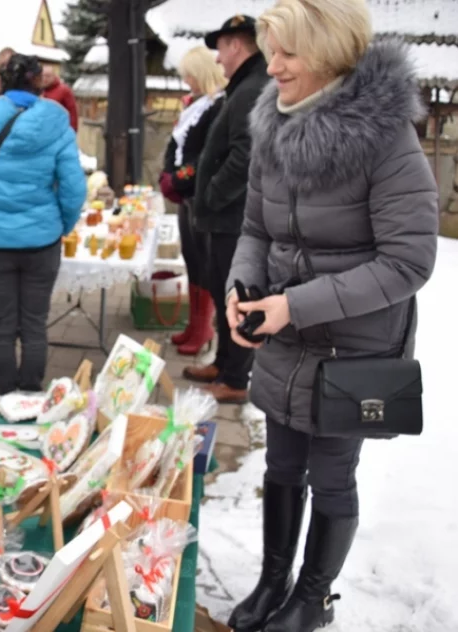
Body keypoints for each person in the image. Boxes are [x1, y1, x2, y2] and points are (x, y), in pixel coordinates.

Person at [224, 2, 438, 631]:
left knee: (331, 475)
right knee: (282, 464)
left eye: (287, 52)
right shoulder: (275, 123)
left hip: (355, 346)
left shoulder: (385, 136)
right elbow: (256, 227)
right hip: (288, 333)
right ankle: (273, 583)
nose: (274, 65)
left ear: (328, 53)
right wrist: (244, 287)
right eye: (271, 49)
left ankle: (312, 599)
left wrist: (294, 304)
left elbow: (408, 261)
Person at [0, 53, 86, 396]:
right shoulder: (57, 123)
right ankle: (30, 394)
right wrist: (61, 225)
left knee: (1, 324)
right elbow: (73, 187)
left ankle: (5, 399)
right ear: (39, 81)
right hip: (42, 241)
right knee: (34, 323)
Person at [182, 14, 269, 404]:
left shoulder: (251, 88)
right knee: (222, 293)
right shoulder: (244, 86)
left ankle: (235, 378)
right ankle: (224, 362)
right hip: (226, 217)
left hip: (233, 218)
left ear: (236, 44)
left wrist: (211, 195)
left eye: (220, 48)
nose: (217, 59)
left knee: (236, 295)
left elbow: (244, 155)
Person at [160, 46, 227, 356]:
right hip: (186, 197)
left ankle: (203, 329)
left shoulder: (215, 107)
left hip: (197, 195)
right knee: (191, 259)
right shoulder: (196, 104)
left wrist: (178, 178)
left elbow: (203, 157)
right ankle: (194, 324)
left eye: (189, 74)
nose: (186, 79)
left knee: (202, 264)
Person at [40, 66, 79, 131]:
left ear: (54, 76)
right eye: (42, 76)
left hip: (59, 130)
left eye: (48, 76)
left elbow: (72, 112)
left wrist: (72, 131)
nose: (44, 79)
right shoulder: (39, 90)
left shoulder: (64, 90)